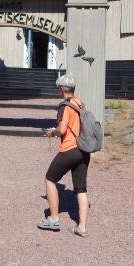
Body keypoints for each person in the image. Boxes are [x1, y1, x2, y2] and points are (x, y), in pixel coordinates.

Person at [37, 73, 91, 237]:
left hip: (70, 149)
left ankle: (53, 219)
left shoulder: (64, 106)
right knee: (81, 189)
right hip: (84, 150)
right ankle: (81, 228)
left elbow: (62, 129)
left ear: (61, 89)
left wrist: (51, 132)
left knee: (50, 179)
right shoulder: (80, 104)